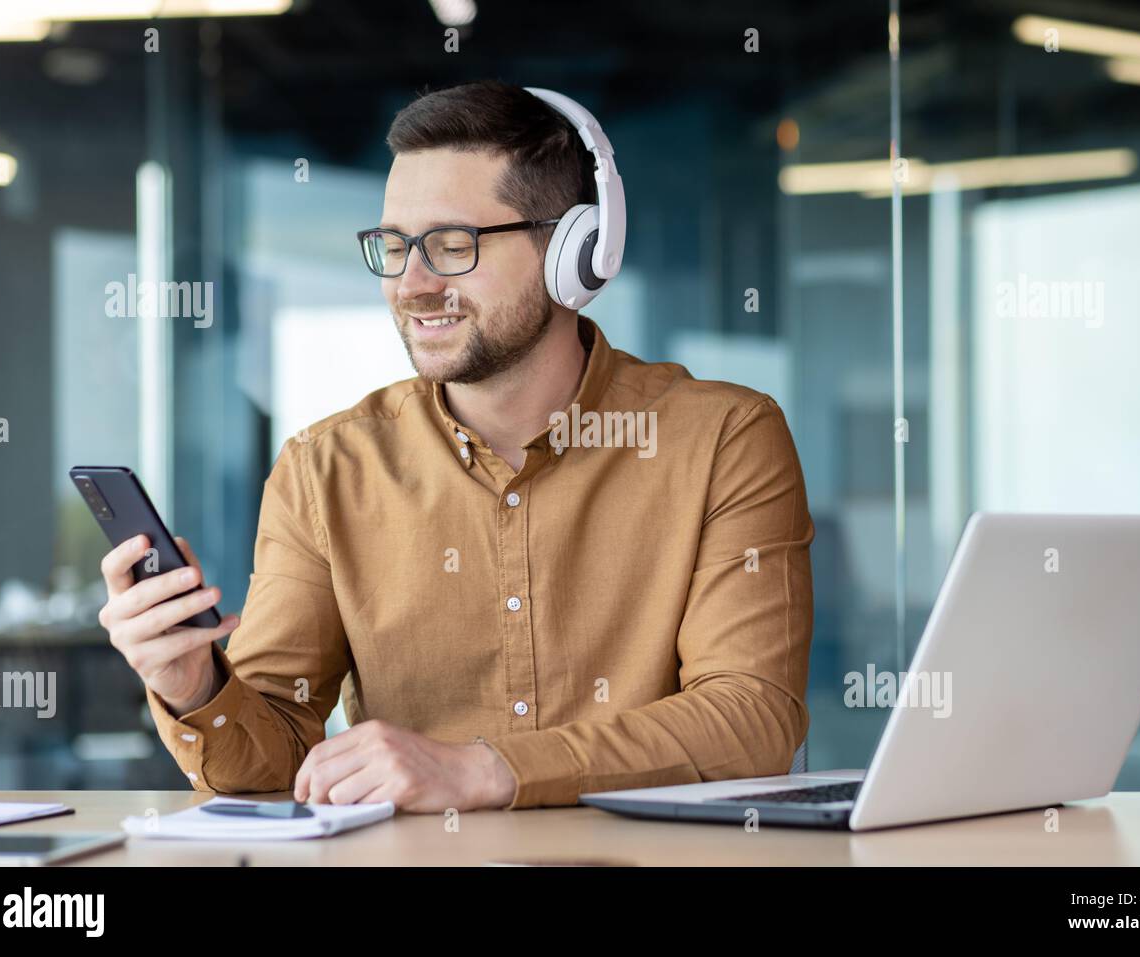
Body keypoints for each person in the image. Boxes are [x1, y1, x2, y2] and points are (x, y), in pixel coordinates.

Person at [97, 79, 815, 812]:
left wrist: (486, 769)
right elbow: (272, 753)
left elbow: (752, 718)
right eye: (394, 245)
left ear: (574, 249)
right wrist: (195, 684)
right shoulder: (325, 468)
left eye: (450, 244)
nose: (411, 283)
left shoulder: (725, 437)